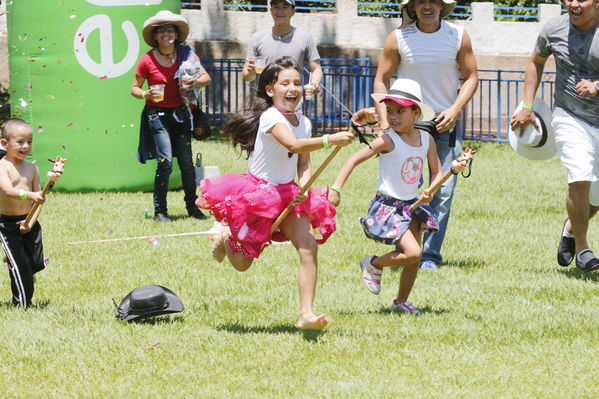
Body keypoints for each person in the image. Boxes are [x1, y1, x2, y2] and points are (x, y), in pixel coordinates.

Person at [196, 56, 360, 330]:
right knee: (242, 264)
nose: (292, 88)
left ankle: (306, 314)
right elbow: (294, 145)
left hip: (289, 194)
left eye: (297, 82)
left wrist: (304, 187)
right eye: (284, 83)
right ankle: (226, 238)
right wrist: (331, 139)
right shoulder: (270, 117)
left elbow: (303, 161)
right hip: (258, 194)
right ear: (271, 90)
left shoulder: (305, 122)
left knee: (308, 248)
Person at [373, 0, 478, 271]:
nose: (427, 6)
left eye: (434, 0)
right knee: (402, 192)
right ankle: (405, 249)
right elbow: (381, 78)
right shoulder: (398, 37)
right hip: (407, 124)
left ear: (443, 6)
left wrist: (455, 109)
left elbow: (472, 77)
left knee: (441, 192)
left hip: (443, 125)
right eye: (421, 1)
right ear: (413, 6)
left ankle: (429, 256)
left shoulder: (458, 35)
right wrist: (385, 119)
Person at [329, 79, 446, 314]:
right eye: (390, 111)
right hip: (390, 206)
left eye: (400, 111)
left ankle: (401, 301)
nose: (393, 117)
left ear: (416, 112)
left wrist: (430, 191)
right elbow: (353, 159)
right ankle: (373, 264)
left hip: (413, 205)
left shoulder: (427, 140)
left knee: (412, 260)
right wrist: (336, 188)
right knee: (414, 253)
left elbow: (437, 172)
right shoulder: (388, 139)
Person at [511, 0, 599, 272]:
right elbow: (535, 62)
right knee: (580, 177)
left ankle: (572, 228)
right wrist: (527, 105)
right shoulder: (554, 28)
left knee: (596, 196)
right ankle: (584, 250)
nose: (573, 4)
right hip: (569, 115)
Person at [131, 10, 211, 223]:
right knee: (165, 161)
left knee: (186, 162)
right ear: (155, 36)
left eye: (171, 29)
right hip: (156, 114)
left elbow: (206, 77)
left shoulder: (187, 55)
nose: (167, 33)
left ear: (176, 34)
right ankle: (160, 211)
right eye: (162, 30)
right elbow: (135, 89)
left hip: (181, 112)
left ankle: (192, 208)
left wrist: (195, 82)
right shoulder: (146, 60)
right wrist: (146, 94)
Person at [0, 119, 49, 307]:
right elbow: (6, 191)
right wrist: (29, 194)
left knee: (36, 263)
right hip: (7, 224)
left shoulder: (32, 168)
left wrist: (31, 221)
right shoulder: (2, 166)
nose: (26, 146)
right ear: (5, 143)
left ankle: (18, 262)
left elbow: (39, 200)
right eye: (20, 142)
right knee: (20, 267)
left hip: (29, 222)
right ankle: (22, 305)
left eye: (29, 141)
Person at [242, 0, 322, 100]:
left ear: (293, 11)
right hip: (263, 102)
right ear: (270, 10)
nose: (280, 11)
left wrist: (314, 83)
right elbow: (247, 77)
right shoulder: (257, 38)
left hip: (292, 101)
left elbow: (316, 69)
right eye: (276, 6)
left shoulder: (305, 38)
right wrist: (250, 72)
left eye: (285, 7)